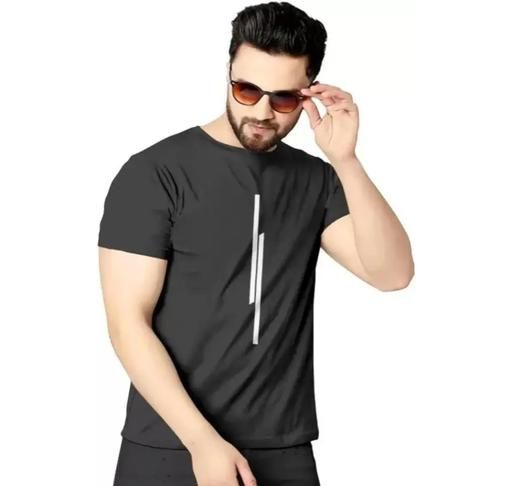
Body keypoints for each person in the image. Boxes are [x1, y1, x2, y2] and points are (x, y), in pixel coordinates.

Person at [97, 2, 415, 485]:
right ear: (228, 72)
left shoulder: (317, 180)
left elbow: (392, 274)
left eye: (284, 99)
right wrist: (201, 442)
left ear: (310, 94)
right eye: (247, 90)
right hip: (170, 443)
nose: (262, 112)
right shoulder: (154, 174)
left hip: (282, 447)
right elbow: (127, 323)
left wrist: (346, 160)